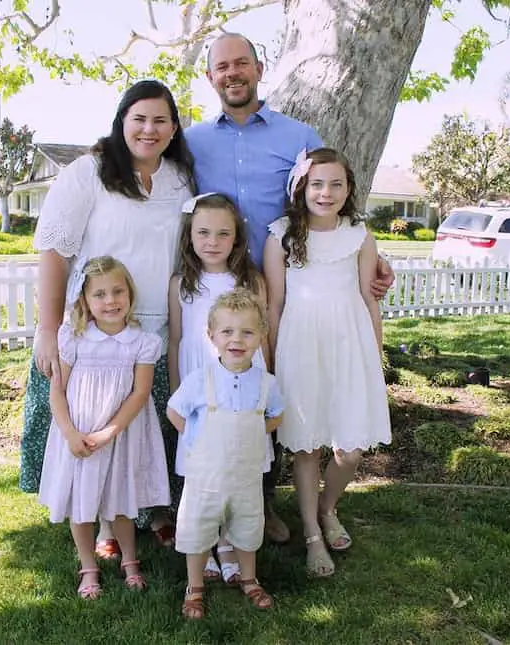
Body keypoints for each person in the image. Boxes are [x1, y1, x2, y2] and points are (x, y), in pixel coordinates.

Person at [185, 32, 394, 544]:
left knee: (277, 401)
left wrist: (371, 255)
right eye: (221, 67)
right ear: (210, 76)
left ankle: (270, 507)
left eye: (241, 63)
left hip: (285, 287)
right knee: (226, 396)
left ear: (258, 68)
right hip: (220, 287)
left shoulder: (297, 134)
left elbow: (324, 198)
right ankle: (222, 505)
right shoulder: (190, 141)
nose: (232, 73)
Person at [20, 79, 194, 556]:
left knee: (145, 430)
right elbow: (55, 252)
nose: (149, 129)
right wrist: (48, 329)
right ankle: (100, 522)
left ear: (174, 128)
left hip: (156, 329)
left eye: (160, 120)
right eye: (138, 118)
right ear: (121, 122)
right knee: (97, 419)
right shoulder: (88, 172)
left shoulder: (182, 178)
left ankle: (154, 509)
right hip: (95, 328)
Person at [263, 148, 392, 577]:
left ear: (349, 188)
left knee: (350, 449)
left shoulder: (359, 234)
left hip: (350, 342)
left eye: (336, 184)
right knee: (306, 445)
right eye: (317, 184)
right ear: (302, 188)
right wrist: (277, 361)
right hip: (300, 345)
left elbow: (369, 301)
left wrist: (375, 356)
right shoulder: (281, 234)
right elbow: (275, 306)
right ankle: (313, 535)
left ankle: (327, 506)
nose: (326, 192)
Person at [38, 256, 170, 598]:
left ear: (130, 295)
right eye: (99, 294)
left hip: (120, 433)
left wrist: (110, 431)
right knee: (80, 502)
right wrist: (69, 432)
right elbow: (58, 390)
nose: (110, 301)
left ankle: (130, 562)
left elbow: (140, 393)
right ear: (85, 300)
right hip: (79, 432)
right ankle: (89, 568)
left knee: (120, 500)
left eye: (117, 292)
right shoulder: (74, 339)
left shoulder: (142, 342)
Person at [168, 192, 271, 584]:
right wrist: (178, 389)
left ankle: (229, 541)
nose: (212, 241)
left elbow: (264, 335)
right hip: (199, 380)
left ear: (237, 238)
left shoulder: (250, 280)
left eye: (223, 233)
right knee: (204, 467)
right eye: (203, 232)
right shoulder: (181, 283)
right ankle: (204, 540)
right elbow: (177, 339)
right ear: (190, 235)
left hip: (244, 380)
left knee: (238, 467)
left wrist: (267, 380)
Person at [167, 288, 284, 619]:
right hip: (206, 476)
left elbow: (276, 415)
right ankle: (195, 587)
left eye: (248, 332)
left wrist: (250, 432)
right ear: (212, 336)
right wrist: (196, 438)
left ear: (261, 336)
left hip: (246, 476)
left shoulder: (265, 383)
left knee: (247, 526)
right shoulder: (200, 379)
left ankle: (249, 578)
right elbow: (175, 412)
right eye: (228, 332)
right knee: (198, 528)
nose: (237, 339)